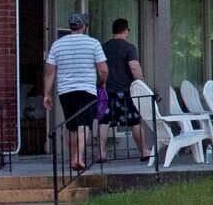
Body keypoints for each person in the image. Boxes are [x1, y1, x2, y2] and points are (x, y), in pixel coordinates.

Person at [43, 13, 107, 171]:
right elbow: (103, 69)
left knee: (71, 125)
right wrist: (102, 82)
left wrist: (47, 94)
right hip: (87, 90)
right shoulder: (93, 43)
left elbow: (50, 72)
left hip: (65, 91)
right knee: (84, 124)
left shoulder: (57, 45)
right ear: (84, 26)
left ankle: (73, 158)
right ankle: (79, 157)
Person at [97, 18, 149, 163]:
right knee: (135, 121)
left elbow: (100, 67)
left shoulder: (103, 47)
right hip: (126, 91)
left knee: (103, 121)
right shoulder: (129, 47)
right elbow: (134, 67)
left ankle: (101, 152)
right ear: (126, 30)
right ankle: (144, 151)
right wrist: (141, 84)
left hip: (106, 90)